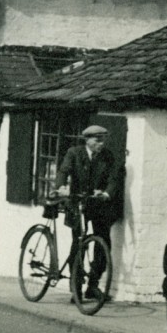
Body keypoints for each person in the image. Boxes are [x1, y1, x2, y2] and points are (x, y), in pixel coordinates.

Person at [54, 124, 123, 300]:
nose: (101, 144)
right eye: (97, 140)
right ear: (88, 140)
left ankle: (93, 285)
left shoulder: (107, 156)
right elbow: (63, 171)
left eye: (103, 140)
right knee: (78, 243)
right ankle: (75, 287)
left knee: (103, 243)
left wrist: (106, 193)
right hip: (76, 203)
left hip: (96, 204)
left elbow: (113, 178)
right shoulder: (74, 153)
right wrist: (62, 187)